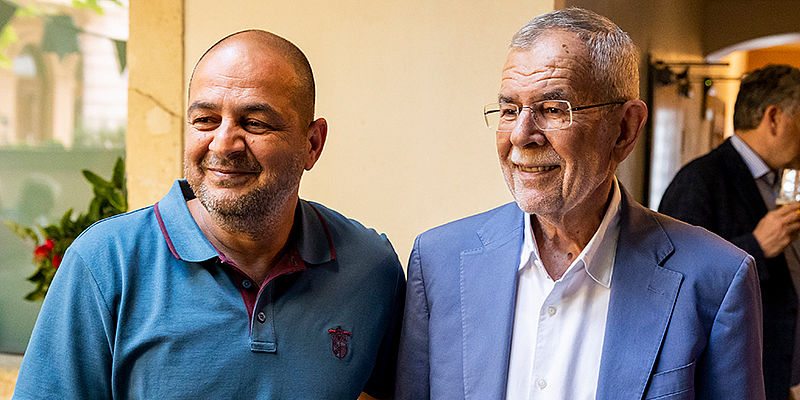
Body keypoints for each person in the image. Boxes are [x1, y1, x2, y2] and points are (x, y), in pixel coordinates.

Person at [395, 8, 764, 400]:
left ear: (625, 129)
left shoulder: (715, 280)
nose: (521, 136)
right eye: (508, 110)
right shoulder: (439, 262)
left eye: (553, 109)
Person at [13, 30, 405, 399]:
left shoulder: (369, 268)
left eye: (255, 123)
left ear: (312, 144)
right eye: (205, 120)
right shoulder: (104, 263)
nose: (224, 143)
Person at [659, 64, 800, 400]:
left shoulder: (780, 181)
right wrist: (757, 245)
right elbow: (671, 280)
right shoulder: (701, 179)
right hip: (736, 374)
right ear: (775, 118)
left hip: (780, 374)